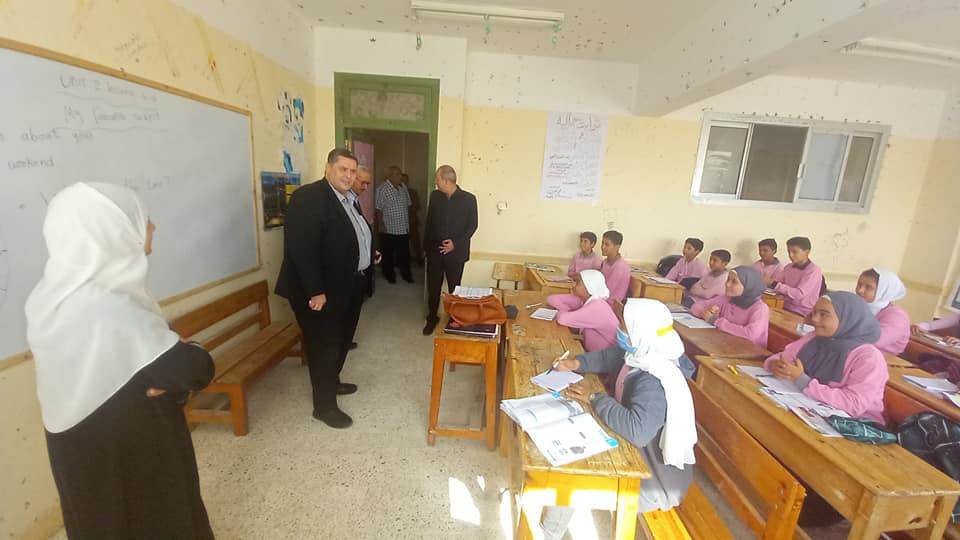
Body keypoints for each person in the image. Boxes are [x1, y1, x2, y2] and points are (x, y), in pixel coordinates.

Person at [25, 182, 215, 539]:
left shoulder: (50, 300)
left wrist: (167, 360)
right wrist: (190, 349)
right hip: (133, 452)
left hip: (79, 450)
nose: (152, 226)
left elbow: (155, 366)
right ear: (112, 231)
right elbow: (194, 368)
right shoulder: (106, 308)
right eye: (142, 219)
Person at [542, 299, 697, 539]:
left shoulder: (654, 379)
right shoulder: (644, 351)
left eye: (625, 326)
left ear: (641, 331)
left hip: (653, 480)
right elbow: (611, 357)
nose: (620, 330)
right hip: (637, 454)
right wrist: (577, 363)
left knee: (570, 475)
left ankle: (547, 534)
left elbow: (637, 431)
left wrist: (595, 398)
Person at [275, 148, 377, 429]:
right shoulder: (309, 197)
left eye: (352, 171)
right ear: (328, 168)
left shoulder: (349, 199)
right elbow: (301, 249)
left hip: (349, 284)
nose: (349, 175)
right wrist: (315, 291)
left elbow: (352, 235)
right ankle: (324, 406)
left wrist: (369, 253)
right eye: (343, 169)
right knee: (324, 346)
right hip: (321, 293)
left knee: (342, 340)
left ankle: (332, 381)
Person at [764, 291, 887, 423]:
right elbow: (785, 357)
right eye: (814, 312)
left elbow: (854, 404)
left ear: (846, 318)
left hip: (852, 424)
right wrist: (775, 364)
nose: (814, 319)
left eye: (823, 314)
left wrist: (804, 382)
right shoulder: (815, 338)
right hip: (811, 407)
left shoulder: (868, 358)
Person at [423, 165, 478, 335]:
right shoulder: (435, 197)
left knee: (455, 289)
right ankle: (432, 318)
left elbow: (472, 225)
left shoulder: (468, 199)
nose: (436, 183)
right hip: (435, 252)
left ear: (446, 180)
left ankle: (455, 319)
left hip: (456, 253)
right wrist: (425, 248)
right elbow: (429, 222)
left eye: (437, 179)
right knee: (433, 288)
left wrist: (456, 243)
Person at [691, 265, 770, 348]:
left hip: (749, 351)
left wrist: (716, 321)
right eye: (728, 279)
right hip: (725, 344)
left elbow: (751, 334)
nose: (727, 284)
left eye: (734, 282)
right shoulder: (726, 299)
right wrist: (706, 312)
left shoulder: (760, 308)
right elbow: (695, 307)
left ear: (748, 286)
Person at [546, 269, 619, 352]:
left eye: (577, 282)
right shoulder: (584, 299)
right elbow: (551, 299)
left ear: (588, 287)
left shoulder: (597, 306)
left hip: (604, 356)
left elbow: (562, 319)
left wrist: (568, 313)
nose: (573, 285)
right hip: (590, 350)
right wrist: (569, 312)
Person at [764, 236, 824, 317]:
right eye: (789, 251)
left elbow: (798, 294)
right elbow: (775, 282)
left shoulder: (813, 270)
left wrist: (774, 284)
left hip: (803, 312)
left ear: (807, 252)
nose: (790, 255)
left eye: (794, 252)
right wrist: (766, 282)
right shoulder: (789, 267)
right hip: (784, 307)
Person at [855, 268, 910, 355]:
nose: (860, 290)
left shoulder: (897, 317)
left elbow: (873, 341)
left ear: (884, 291)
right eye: (859, 284)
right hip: (858, 353)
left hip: (883, 359)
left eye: (868, 287)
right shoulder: (858, 306)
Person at [375, 165, 413, 284]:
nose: (400, 176)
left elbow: (408, 205)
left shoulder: (403, 187)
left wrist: (409, 223)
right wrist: (381, 225)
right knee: (388, 254)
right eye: (397, 174)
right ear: (390, 176)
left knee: (404, 254)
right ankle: (389, 275)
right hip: (389, 228)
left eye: (400, 174)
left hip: (403, 228)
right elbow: (378, 209)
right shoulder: (382, 189)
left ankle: (407, 275)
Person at [353, 167, 376, 301]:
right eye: (362, 182)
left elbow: (359, 231)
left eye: (368, 184)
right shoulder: (344, 202)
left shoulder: (355, 201)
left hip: (359, 272)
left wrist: (370, 249)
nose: (365, 187)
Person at [600, 230, 631, 302]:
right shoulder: (605, 262)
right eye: (602, 243)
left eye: (607, 244)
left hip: (610, 304)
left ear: (617, 247)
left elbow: (607, 291)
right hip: (601, 299)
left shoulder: (620, 267)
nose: (602, 247)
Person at [401, 172, 424, 266]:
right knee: (401, 243)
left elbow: (418, 206)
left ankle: (419, 259)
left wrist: (408, 210)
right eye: (402, 180)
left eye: (405, 180)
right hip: (400, 222)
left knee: (416, 242)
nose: (403, 182)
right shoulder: (396, 192)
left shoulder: (413, 192)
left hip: (412, 221)